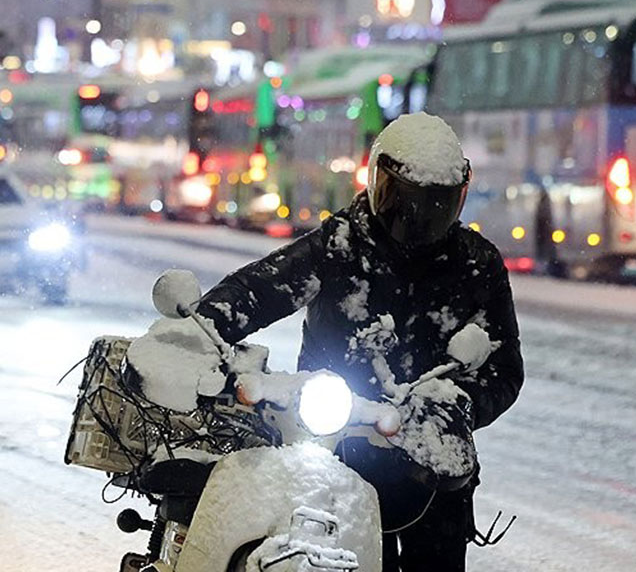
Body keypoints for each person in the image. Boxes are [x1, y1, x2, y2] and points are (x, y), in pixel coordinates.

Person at [195, 112, 524, 571]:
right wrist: (202, 327)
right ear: (377, 183)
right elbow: (260, 289)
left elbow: (504, 368)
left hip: (430, 463)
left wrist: (458, 405)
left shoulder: (476, 264)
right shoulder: (339, 245)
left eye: (434, 206)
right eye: (403, 203)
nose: (416, 219)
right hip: (337, 446)